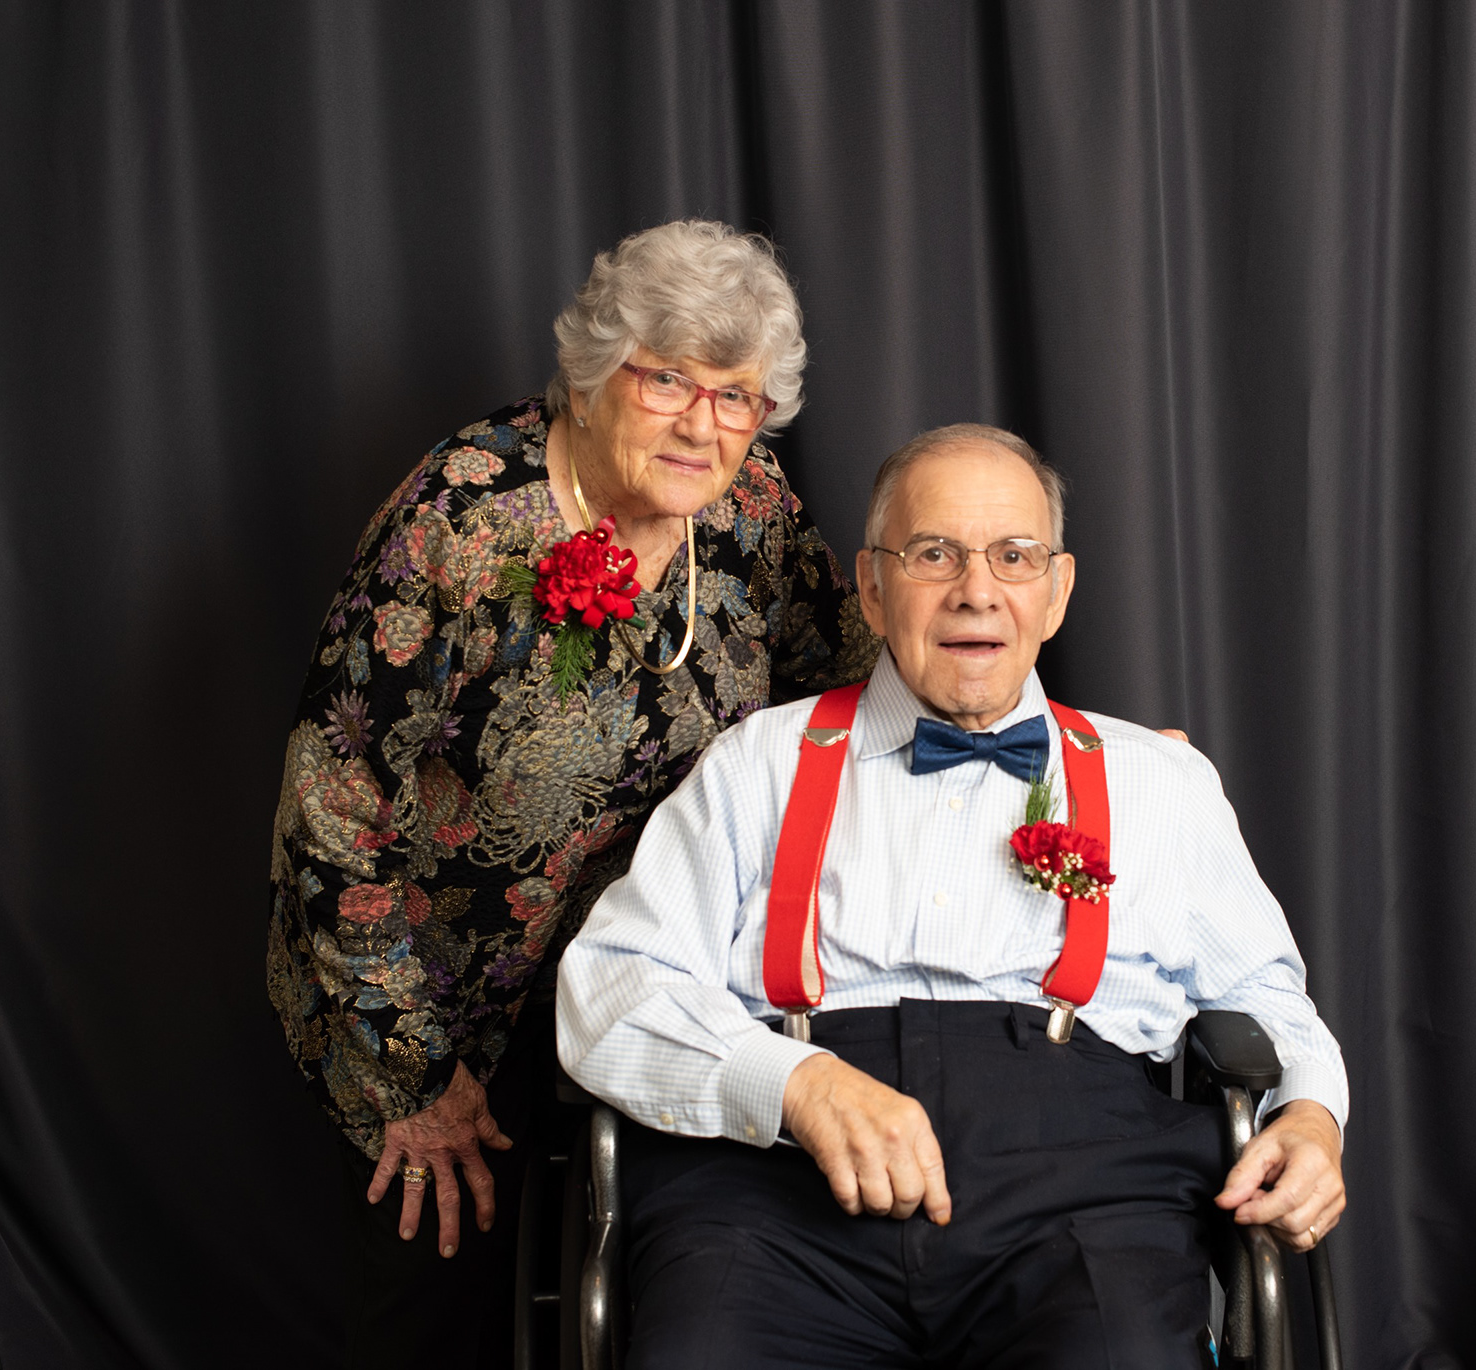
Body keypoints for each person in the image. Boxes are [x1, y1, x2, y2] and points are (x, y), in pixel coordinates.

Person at [557, 423, 1349, 1369]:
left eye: (1014, 556)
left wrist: (1309, 1117)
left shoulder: (1161, 782)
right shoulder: (755, 763)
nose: (977, 590)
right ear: (871, 587)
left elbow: (1266, 1000)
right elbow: (613, 988)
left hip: (1084, 1197)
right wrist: (793, 1083)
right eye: (934, 554)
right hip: (773, 1197)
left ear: (1057, 592)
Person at [265, 220, 877, 1367]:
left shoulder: (751, 511)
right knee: (441, 1308)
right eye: (668, 380)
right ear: (595, 373)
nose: (702, 424)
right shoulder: (460, 522)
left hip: (664, 981)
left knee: (667, 1304)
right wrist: (413, 1073)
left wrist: (1060, 745)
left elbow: (854, 678)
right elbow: (332, 811)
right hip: (432, 998)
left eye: (736, 396)